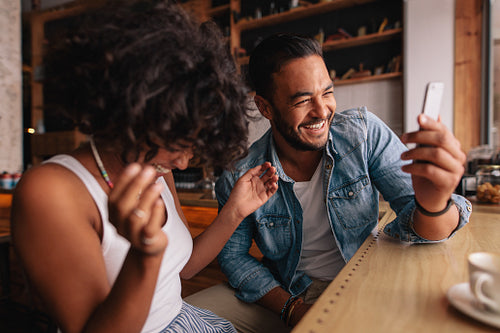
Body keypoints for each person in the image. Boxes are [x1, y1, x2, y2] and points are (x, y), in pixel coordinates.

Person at [10, 2, 279, 333]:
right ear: (128, 112)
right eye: (177, 144)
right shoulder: (52, 192)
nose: (181, 164)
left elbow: (185, 268)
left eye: (191, 147)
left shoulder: (156, 165)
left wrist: (235, 210)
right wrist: (144, 256)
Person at [185, 33, 472, 332]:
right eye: (303, 99)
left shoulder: (363, 134)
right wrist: (291, 308)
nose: (322, 111)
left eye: (327, 93)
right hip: (288, 292)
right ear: (265, 107)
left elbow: (429, 234)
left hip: (365, 282)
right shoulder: (241, 173)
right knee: (178, 319)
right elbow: (233, 257)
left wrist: (434, 202)